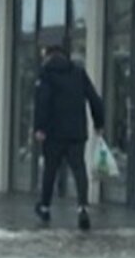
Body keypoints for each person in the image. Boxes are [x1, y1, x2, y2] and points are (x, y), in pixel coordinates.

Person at [33, 44, 104, 230]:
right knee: (79, 169)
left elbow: (43, 101)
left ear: (48, 56)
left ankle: (45, 207)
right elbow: (94, 98)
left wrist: (39, 127)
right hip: (76, 132)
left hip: (53, 132)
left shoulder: (46, 73)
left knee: (50, 170)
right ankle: (82, 208)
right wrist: (99, 123)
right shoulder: (78, 72)